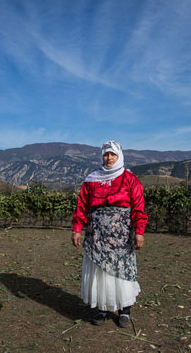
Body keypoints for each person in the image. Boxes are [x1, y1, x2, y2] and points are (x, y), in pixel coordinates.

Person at [71, 140, 148, 328]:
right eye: (106, 154)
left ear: (119, 156)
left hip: (121, 235)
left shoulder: (129, 179)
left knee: (121, 270)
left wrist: (139, 232)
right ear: (101, 156)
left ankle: (125, 310)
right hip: (96, 234)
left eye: (113, 154)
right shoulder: (92, 179)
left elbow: (138, 206)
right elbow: (82, 205)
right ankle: (103, 308)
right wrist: (77, 228)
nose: (109, 158)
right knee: (100, 271)